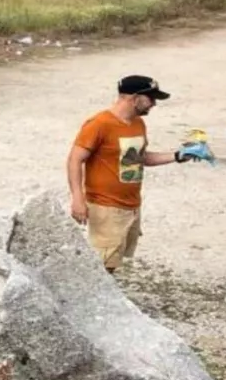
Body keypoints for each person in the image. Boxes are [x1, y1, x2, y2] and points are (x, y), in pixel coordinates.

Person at [67, 75, 201, 275]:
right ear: (134, 97)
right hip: (106, 206)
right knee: (104, 264)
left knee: (113, 262)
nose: (154, 104)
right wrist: (77, 197)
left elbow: (141, 158)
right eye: (151, 98)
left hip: (131, 205)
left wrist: (178, 156)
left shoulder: (138, 124)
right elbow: (75, 159)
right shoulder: (99, 124)